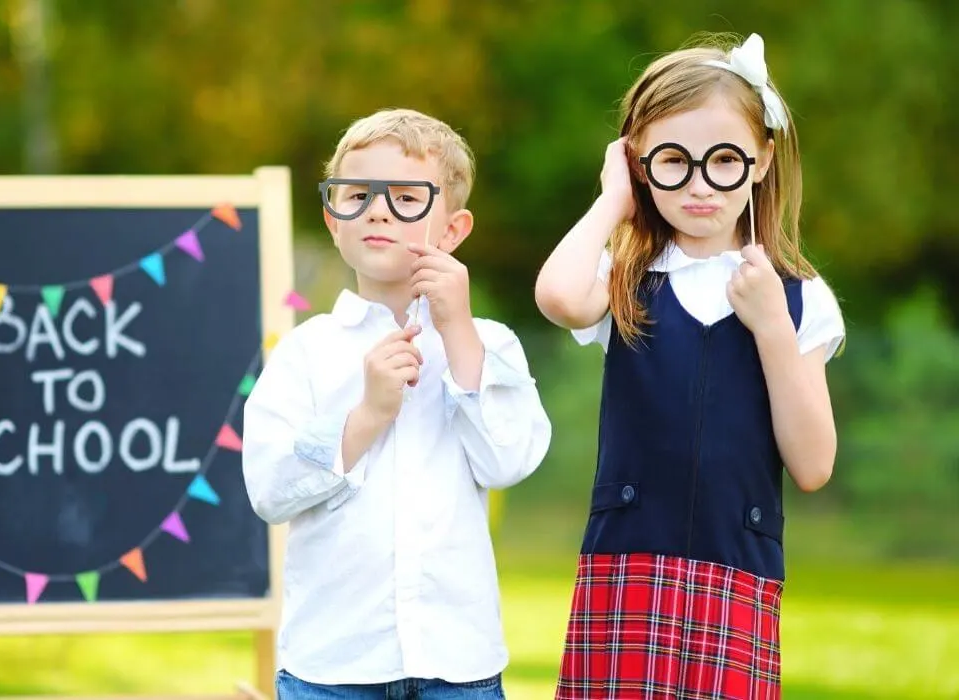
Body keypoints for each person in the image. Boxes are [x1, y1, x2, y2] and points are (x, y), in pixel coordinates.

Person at [534, 33, 845, 699]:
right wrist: (612, 200)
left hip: (739, 569)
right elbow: (558, 297)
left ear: (761, 161)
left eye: (724, 161)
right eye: (674, 161)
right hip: (626, 565)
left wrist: (771, 327)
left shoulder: (796, 296)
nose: (700, 185)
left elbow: (814, 464)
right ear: (640, 166)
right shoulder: (623, 275)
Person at [242, 107, 552, 699]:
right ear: (334, 219)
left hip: (457, 664)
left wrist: (457, 330)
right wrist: (365, 418)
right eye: (356, 194)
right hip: (332, 668)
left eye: (407, 197)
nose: (378, 210)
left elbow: (509, 459)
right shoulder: (305, 353)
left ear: (454, 230)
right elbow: (269, 490)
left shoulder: (489, 344)